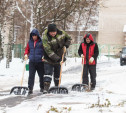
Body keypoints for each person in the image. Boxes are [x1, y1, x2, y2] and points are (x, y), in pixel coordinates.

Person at [42, 23, 71, 93]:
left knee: (58, 73)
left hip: (60, 54)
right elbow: (48, 51)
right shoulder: (45, 37)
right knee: (48, 73)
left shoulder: (62, 33)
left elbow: (69, 38)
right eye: (51, 32)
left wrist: (66, 45)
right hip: (48, 57)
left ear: (56, 31)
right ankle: (46, 87)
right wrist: (58, 58)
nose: (53, 34)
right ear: (49, 31)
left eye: (54, 32)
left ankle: (57, 86)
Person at [24, 29, 44, 95]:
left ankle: (42, 87)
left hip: (40, 61)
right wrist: (26, 54)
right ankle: (30, 88)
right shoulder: (30, 42)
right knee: (31, 75)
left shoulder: (41, 42)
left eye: (35, 35)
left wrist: (44, 56)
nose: (34, 37)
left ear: (37, 35)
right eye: (32, 36)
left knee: (41, 75)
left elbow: (45, 50)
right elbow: (27, 49)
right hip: (32, 61)